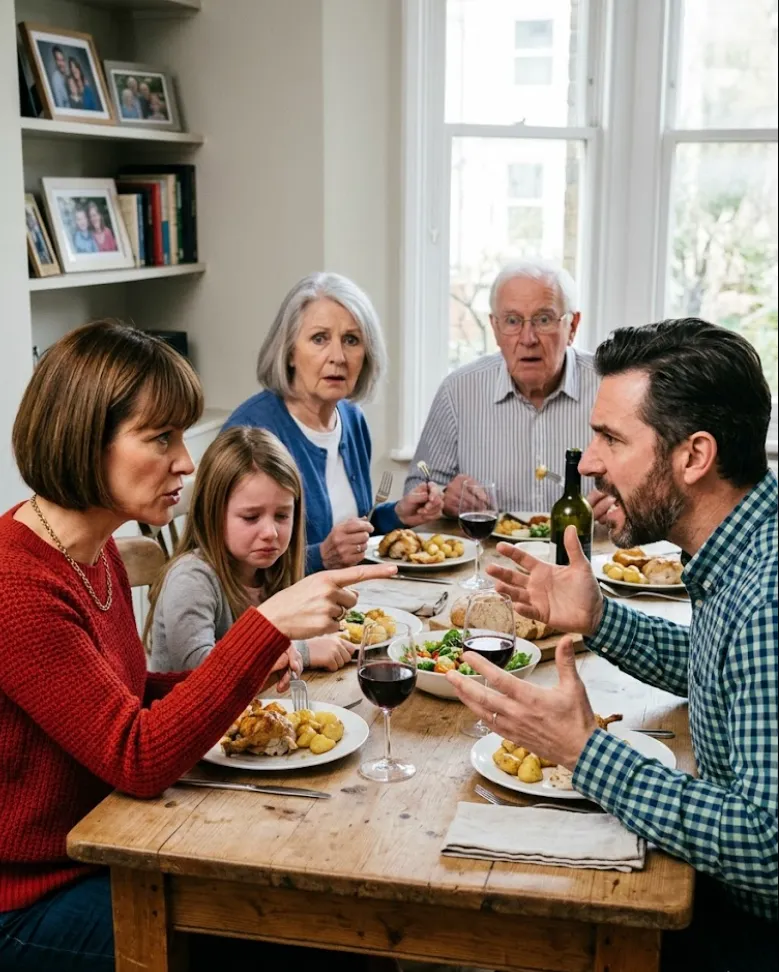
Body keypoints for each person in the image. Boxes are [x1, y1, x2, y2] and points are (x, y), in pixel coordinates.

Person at [0, 320, 396, 971]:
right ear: (83, 439)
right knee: (309, 940)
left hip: (103, 844)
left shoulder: (87, 550)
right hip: (32, 897)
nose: (186, 461)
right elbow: (137, 755)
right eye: (160, 438)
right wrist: (261, 630)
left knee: (345, 929)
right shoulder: (17, 583)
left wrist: (243, 672)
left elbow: (117, 698)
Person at [447, 318, 777, 972]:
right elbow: (717, 673)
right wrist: (598, 619)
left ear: (693, 456)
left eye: (610, 439)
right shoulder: (740, 554)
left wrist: (583, 752)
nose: (589, 461)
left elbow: (766, 850)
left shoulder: (765, 597)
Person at [224, 273, 443, 573]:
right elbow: (230, 565)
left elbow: (355, 527)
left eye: (351, 340)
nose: (338, 357)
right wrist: (320, 557)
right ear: (289, 352)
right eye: (319, 339)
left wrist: (398, 515)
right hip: (276, 613)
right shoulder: (251, 432)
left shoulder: (352, 420)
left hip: (352, 599)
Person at [404, 259, 612, 519]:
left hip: (591, 553)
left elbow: (649, 487)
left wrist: (626, 502)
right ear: (495, 327)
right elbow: (415, 490)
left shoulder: (610, 386)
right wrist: (443, 496)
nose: (528, 339)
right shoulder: (458, 391)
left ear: (572, 326)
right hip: (490, 553)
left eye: (544, 319)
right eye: (513, 321)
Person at [148, 426, 356, 674]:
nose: (271, 532)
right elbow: (198, 669)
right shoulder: (191, 579)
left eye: (282, 515)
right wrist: (304, 650)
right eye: (250, 517)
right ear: (212, 513)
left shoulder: (271, 572)